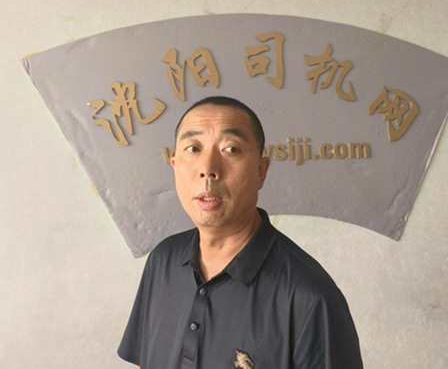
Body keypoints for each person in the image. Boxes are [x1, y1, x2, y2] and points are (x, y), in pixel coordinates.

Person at [118, 96, 363, 368]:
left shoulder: (311, 298)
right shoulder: (162, 261)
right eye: (193, 148)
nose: (208, 169)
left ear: (261, 171)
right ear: (174, 166)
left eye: (231, 149)